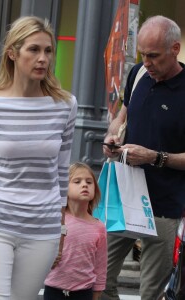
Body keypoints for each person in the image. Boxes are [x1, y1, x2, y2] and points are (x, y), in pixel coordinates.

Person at [0, 15, 77, 300]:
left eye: (48, 51)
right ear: (12, 53)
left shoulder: (65, 105)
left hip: (42, 228)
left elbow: (62, 171)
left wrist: (62, 227)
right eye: (34, 50)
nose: (43, 58)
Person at [101, 15, 185, 300]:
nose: (147, 62)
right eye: (142, 55)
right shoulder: (137, 73)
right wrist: (112, 138)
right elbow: (121, 118)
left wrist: (155, 157)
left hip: (163, 205)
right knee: (100, 279)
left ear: (175, 49)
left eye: (154, 56)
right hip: (124, 196)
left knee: (151, 293)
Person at [44, 162, 107, 300]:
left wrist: (97, 292)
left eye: (89, 182)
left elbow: (100, 264)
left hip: (83, 292)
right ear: (64, 188)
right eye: (77, 181)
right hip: (54, 289)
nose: (84, 185)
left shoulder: (99, 227)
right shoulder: (55, 219)